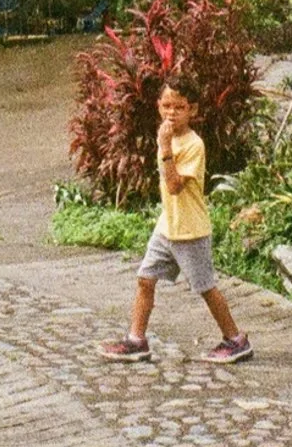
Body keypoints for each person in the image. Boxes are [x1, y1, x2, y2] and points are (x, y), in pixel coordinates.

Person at [102, 79, 252, 362]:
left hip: (190, 230)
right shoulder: (167, 138)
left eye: (179, 107)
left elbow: (173, 185)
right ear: (158, 107)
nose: (172, 113)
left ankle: (235, 339)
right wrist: (165, 144)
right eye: (166, 106)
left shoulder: (193, 145)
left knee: (206, 287)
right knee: (145, 280)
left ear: (192, 110)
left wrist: (166, 148)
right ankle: (137, 340)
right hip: (167, 227)